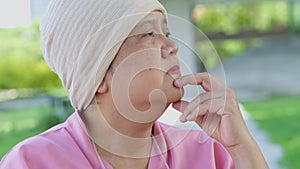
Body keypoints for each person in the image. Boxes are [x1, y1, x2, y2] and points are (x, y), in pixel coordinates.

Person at [0, 0, 269, 169]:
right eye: (149, 33)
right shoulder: (31, 162)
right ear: (98, 74)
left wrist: (242, 148)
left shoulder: (209, 154)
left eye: (167, 32)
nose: (173, 46)